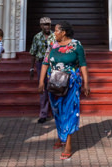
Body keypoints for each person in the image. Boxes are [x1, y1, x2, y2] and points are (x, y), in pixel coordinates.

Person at [37, 21, 90, 160]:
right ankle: (61, 137)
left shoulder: (76, 45)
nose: (54, 33)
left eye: (56, 31)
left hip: (71, 84)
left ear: (64, 32)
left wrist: (86, 83)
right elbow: (45, 63)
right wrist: (41, 81)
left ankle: (68, 144)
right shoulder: (52, 45)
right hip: (54, 83)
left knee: (70, 112)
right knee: (57, 111)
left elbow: (83, 64)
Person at [29, 17, 53, 122]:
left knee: (53, 87)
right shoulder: (37, 37)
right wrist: (31, 68)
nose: (47, 26)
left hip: (52, 65)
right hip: (40, 64)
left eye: (48, 24)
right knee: (42, 88)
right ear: (41, 26)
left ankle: (55, 112)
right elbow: (33, 53)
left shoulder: (55, 36)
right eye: (45, 25)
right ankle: (43, 114)